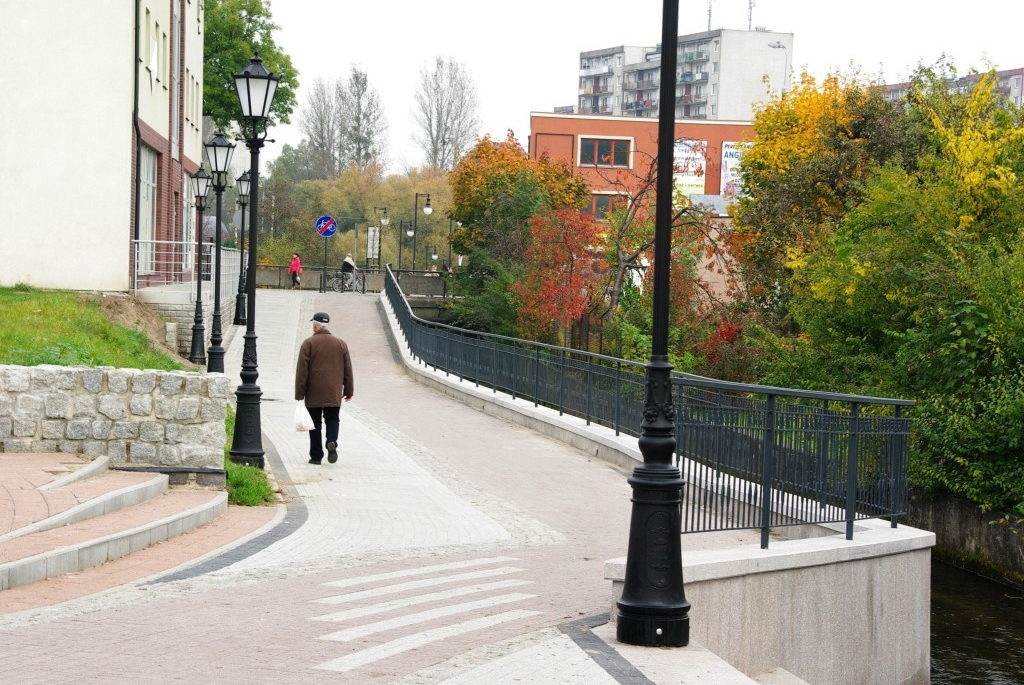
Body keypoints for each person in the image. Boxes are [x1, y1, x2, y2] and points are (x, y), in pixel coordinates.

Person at [294, 311, 354, 465]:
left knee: (315, 423)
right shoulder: (341, 343)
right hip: (333, 391)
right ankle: (331, 441)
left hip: (313, 391)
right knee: (333, 418)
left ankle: (316, 456)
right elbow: (348, 369)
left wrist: (300, 393)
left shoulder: (308, 344)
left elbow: (302, 371)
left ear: (315, 326)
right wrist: (348, 391)